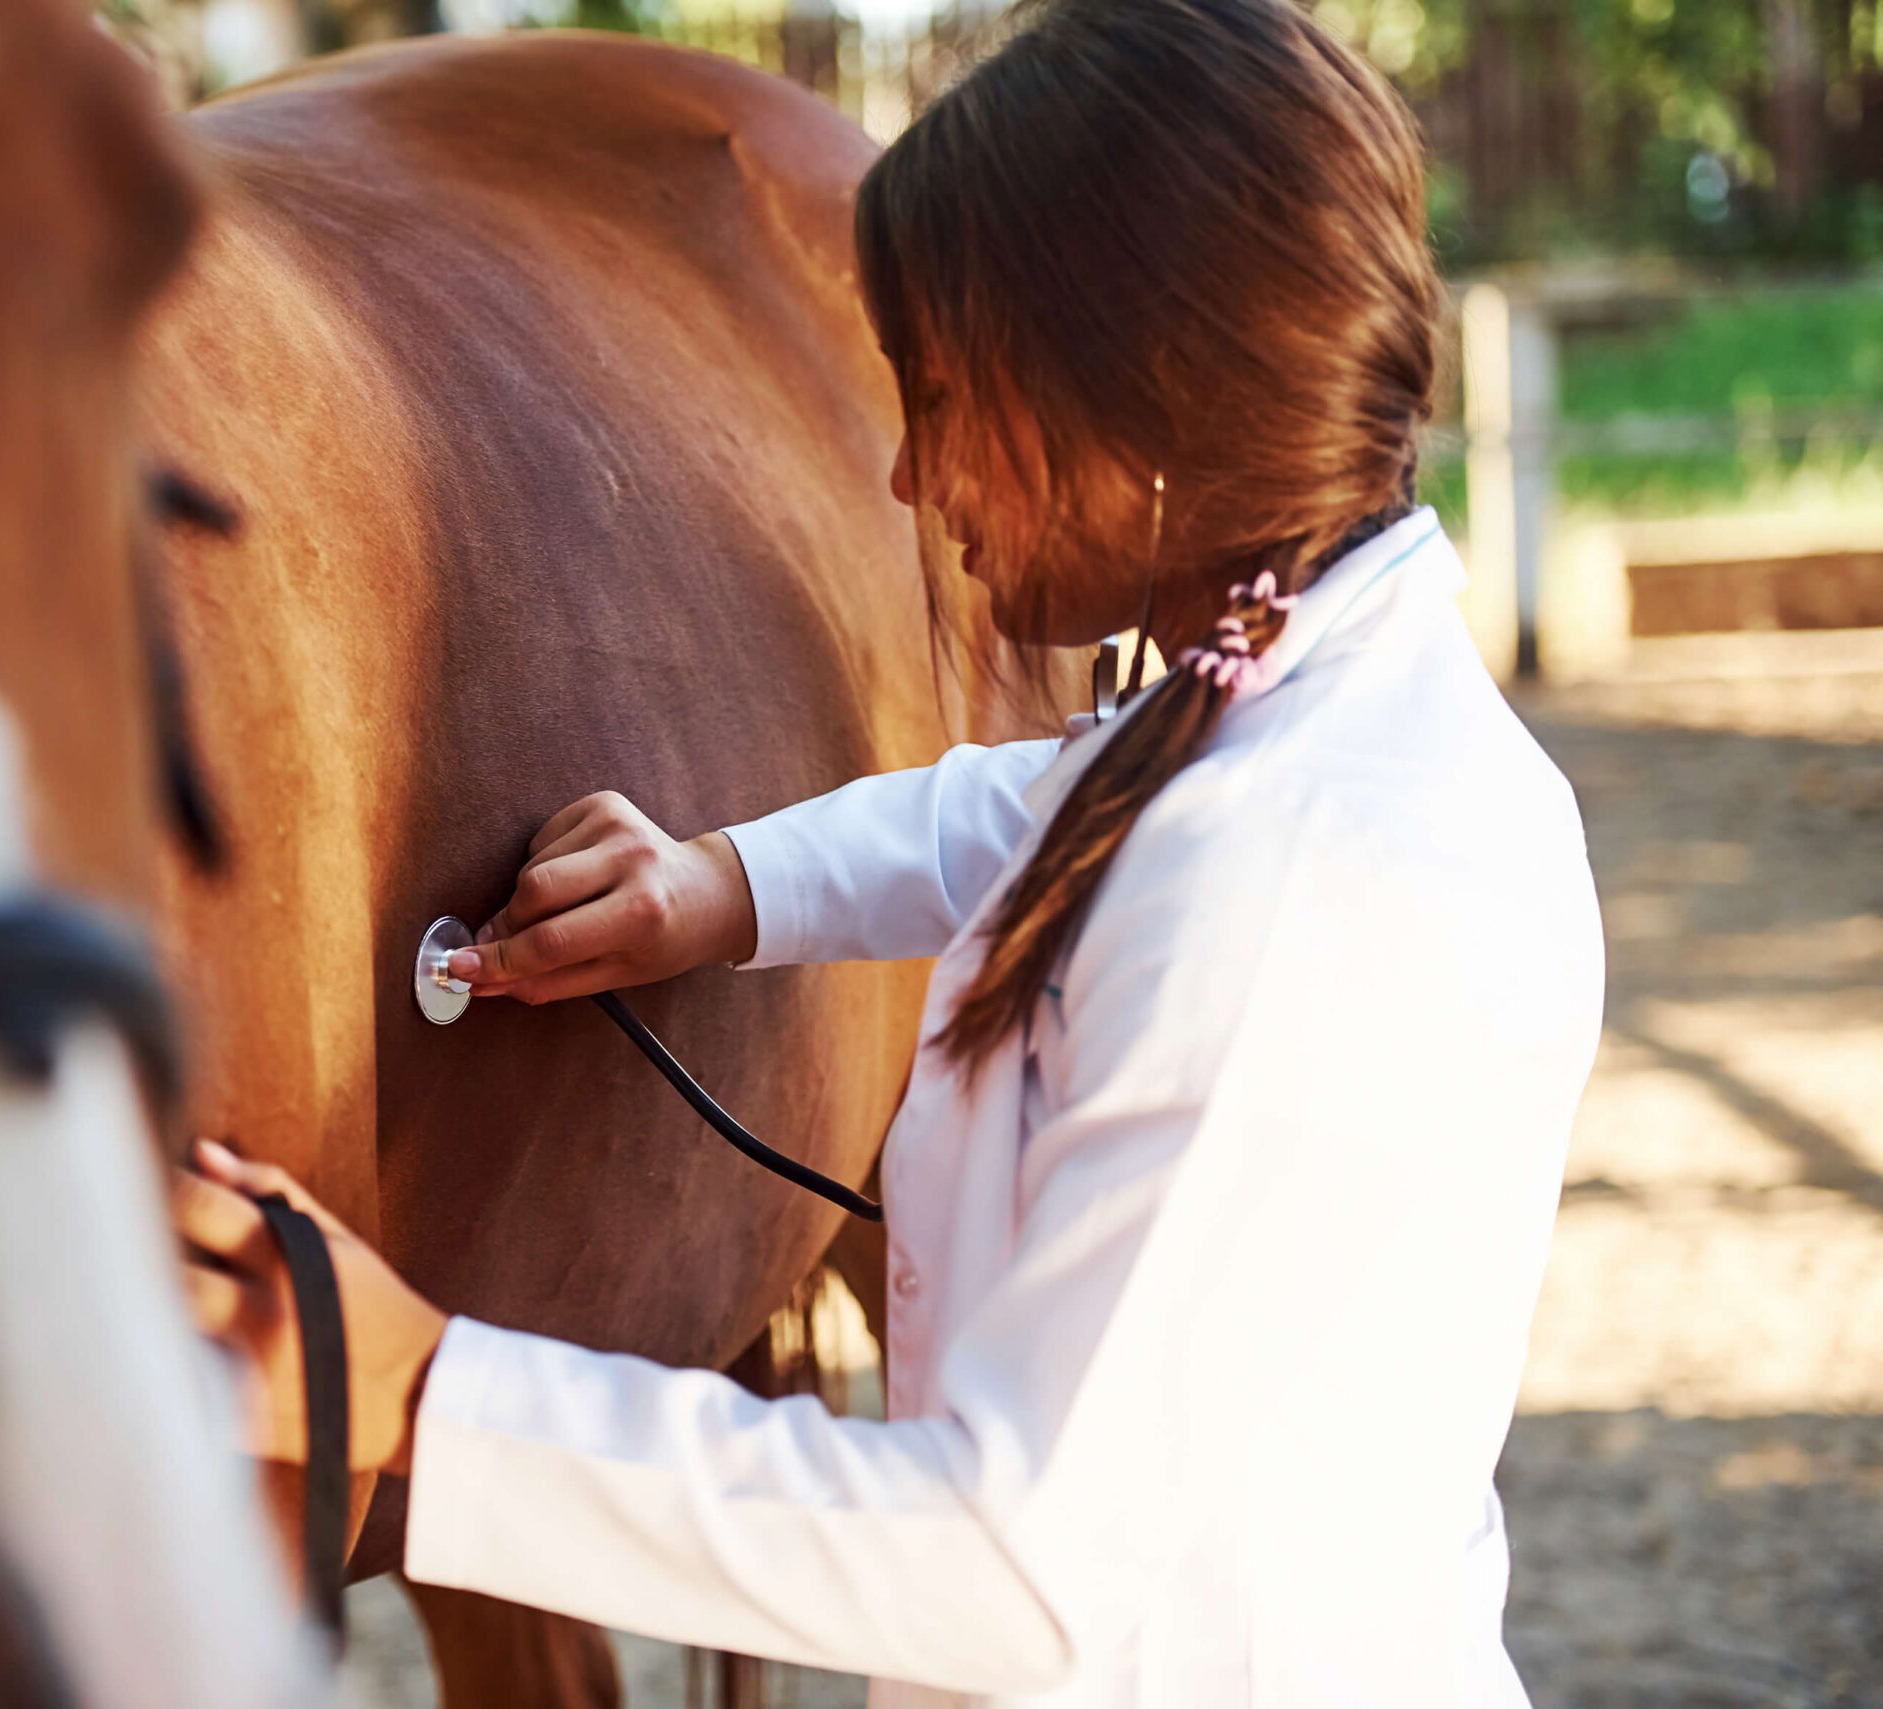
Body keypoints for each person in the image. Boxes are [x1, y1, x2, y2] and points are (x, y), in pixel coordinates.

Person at [174, 0, 1605, 1701]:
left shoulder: (1286, 878)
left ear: (1138, 385)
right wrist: (729, 884)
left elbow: (1006, 1565)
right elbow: (1035, 805)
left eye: (945, 397)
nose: (917, 480)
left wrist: (424, 1391)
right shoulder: (1319, 710)